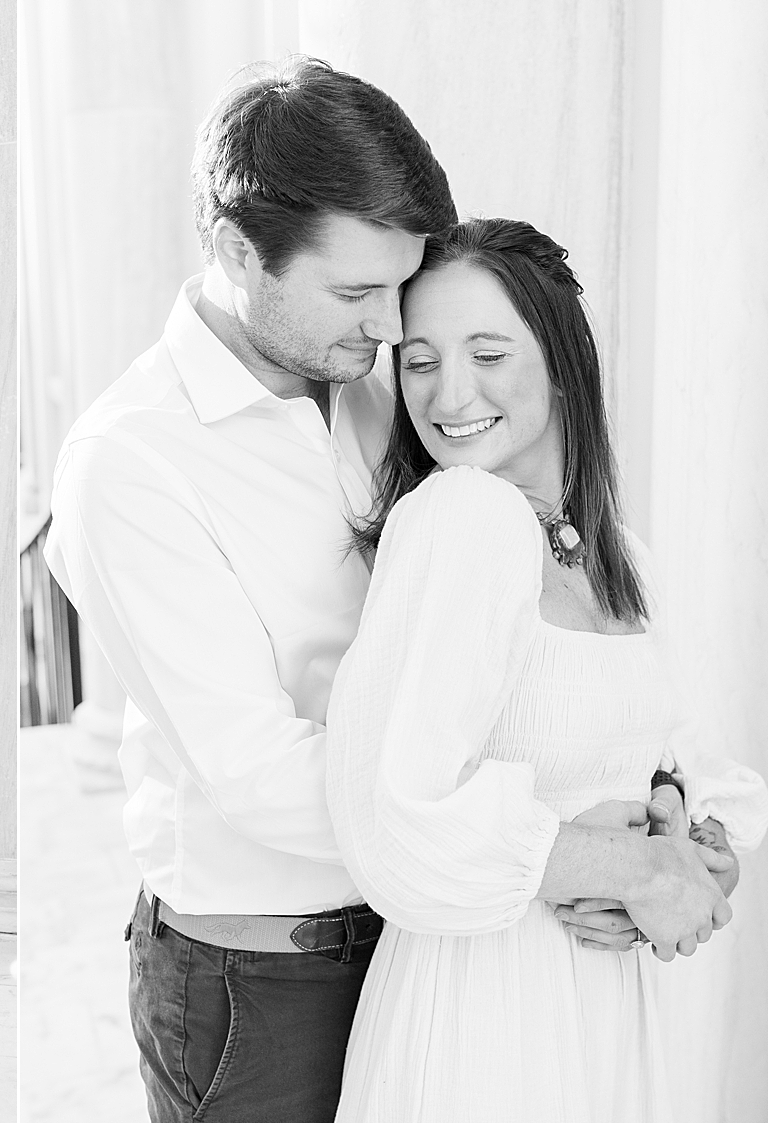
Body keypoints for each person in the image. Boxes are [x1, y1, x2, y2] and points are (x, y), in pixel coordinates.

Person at [43, 58, 739, 1123]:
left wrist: (648, 806)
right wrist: (591, 853)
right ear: (239, 252)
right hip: (270, 980)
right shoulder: (130, 465)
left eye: (397, 292)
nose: (388, 334)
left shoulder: (385, 381)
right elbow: (258, 771)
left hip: (453, 937)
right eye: (358, 292)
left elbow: (508, 670)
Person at [324, 218, 767, 1122]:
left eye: (489, 353)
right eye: (419, 361)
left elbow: (686, 769)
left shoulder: (619, 558)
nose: (451, 395)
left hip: (604, 1002)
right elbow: (393, 817)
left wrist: (681, 836)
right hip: (492, 1011)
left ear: (562, 358)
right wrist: (629, 869)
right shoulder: (463, 515)